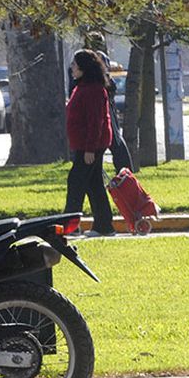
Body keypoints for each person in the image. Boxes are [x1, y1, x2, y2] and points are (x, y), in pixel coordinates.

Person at [65, 49, 115, 237]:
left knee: (76, 181)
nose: (72, 68)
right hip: (85, 144)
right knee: (93, 184)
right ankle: (104, 225)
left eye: (75, 65)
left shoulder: (93, 90)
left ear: (83, 68)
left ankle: (69, 226)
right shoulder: (83, 87)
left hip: (91, 145)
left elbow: (96, 122)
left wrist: (90, 149)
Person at [85, 31, 134, 173]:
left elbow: (110, 85)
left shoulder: (101, 60)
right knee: (100, 150)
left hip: (107, 111)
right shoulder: (83, 60)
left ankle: (126, 177)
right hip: (97, 111)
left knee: (118, 147)